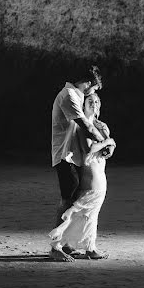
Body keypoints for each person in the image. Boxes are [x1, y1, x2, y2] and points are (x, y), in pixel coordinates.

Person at [49, 65, 106, 262]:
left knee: (74, 201)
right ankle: (55, 247)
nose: (94, 93)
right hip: (65, 156)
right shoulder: (70, 96)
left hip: (74, 155)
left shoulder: (77, 96)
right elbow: (85, 125)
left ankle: (65, 243)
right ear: (88, 83)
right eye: (94, 89)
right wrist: (104, 141)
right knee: (67, 200)